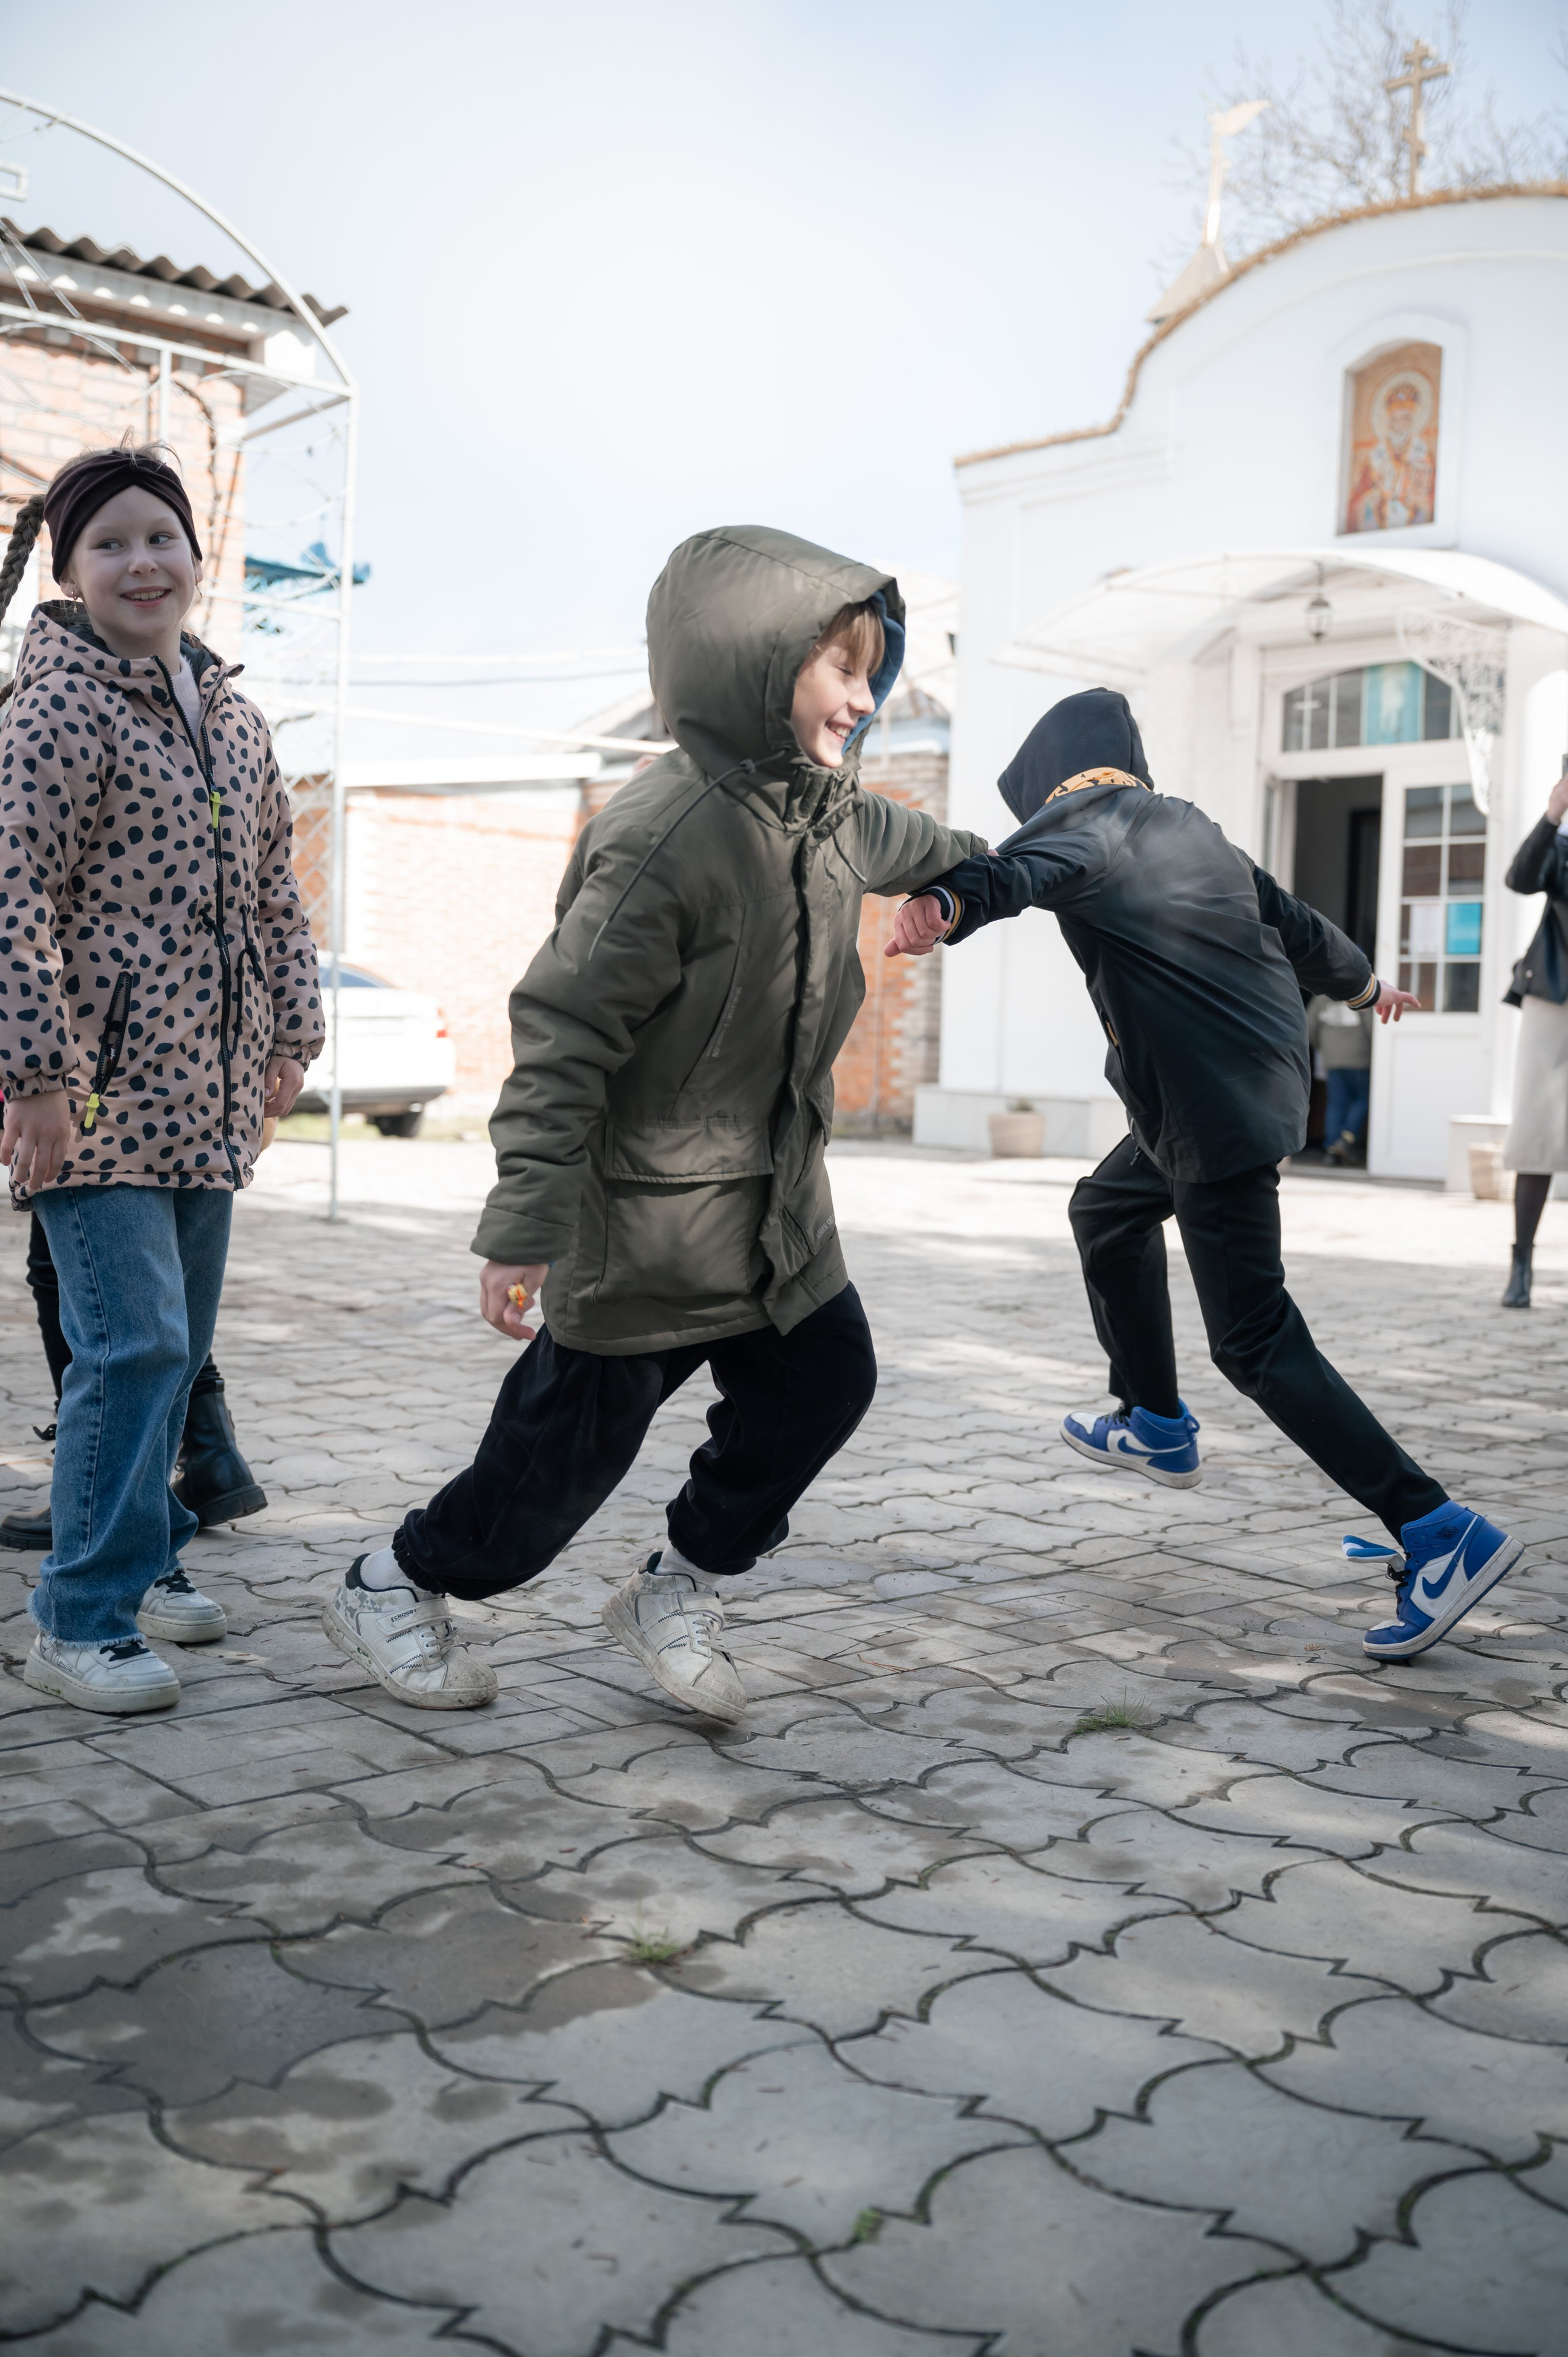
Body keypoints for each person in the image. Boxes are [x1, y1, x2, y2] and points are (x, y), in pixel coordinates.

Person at [322, 526, 988, 1721]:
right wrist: (521, 1225)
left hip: (776, 1226)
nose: (861, 695)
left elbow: (953, 854)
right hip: (642, 1240)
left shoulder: (835, 818)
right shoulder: (658, 841)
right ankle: (392, 1581)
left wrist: (1003, 880)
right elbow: (563, 1039)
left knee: (824, 1383)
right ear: (746, 662)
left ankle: (675, 1587)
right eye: (836, 665)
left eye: (869, 669)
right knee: (537, 1492)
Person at [888, 687, 1522, 1664]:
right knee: (1105, 1211)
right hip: (1237, 1088)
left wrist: (944, 902)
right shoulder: (1191, 828)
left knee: (1256, 1340)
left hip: (1206, 1108)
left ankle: (1438, 1530)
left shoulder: (1080, 828)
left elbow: (1016, 871)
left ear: (1053, 783)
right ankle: (1154, 1419)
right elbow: (1296, 920)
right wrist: (1365, 984)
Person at [0, 446, 322, 1713]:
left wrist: (293, 1032)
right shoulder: (53, 708)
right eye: (110, 545)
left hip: (211, 1090)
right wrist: (32, 1076)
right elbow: (11, 895)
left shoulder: (232, 714)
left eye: (161, 538)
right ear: (73, 578)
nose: (142, 562)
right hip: (90, 1093)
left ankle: (145, 1554)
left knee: (172, 1354)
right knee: (130, 1344)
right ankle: (80, 1615)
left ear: (197, 556)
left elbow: (273, 892)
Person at [0, 1209, 266, 1549]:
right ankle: (212, 1449)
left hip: (96, 1159)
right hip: (199, 1160)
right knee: (163, 1269)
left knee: (67, 1263)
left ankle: (92, 1498)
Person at [1498, 758, 1568, 1308]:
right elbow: (1519, 878)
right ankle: (1521, 1262)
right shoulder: (1561, 846)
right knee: (1537, 1136)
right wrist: (1554, 812)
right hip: (1554, 999)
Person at [1306, 992, 1373, 1164]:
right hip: (1360, 1057)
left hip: (1332, 1058)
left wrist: (1323, 1047)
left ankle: (1332, 1147)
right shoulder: (1359, 992)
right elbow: (1370, 1026)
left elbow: (1309, 1026)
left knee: (1336, 1103)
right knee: (1363, 1099)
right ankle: (1346, 1138)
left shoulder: (1321, 997)